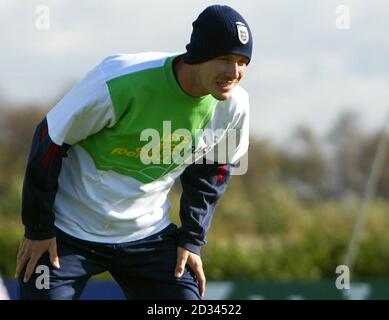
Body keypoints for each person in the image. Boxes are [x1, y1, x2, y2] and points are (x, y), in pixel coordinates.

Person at [15, 4, 252, 300]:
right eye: (224, 58)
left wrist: (192, 240)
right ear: (199, 55)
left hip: (148, 236)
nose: (234, 72)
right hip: (67, 233)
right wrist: (38, 228)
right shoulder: (119, 79)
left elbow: (213, 172)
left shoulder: (235, 106)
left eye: (243, 61)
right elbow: (49, 140)